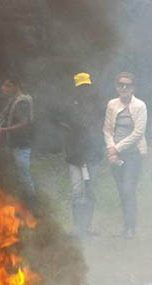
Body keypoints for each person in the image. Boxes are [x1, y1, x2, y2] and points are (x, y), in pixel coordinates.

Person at [56, 72, 104, 238]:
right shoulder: (69, 106)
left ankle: (87, 227)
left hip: (93, 155)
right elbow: (67, 128)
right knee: (77, 192)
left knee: (90, 191)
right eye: (81, 86)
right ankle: (78, 228)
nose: (84, 89)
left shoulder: (96, 105)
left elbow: (98, 129)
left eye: (86, 86)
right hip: (75, 156)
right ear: (76, 87)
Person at [103, 72, 147, 239]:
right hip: (115, 155)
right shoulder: (112, 105)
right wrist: (111, 150)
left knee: (129, 189)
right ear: (116, 86)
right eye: (121, 84)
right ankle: (126, 225)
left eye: (127, 85)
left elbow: (138, 132)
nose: (124, 88)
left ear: (133, 88)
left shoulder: (140, 106)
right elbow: (107, 130)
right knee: (122, 191)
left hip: (133, 154)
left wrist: (117, 149)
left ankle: (131, 228)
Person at [0, 76, 36, 208]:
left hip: (22, 144)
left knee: (24, 174)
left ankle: (31, 203)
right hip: (14, 144)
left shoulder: (22, 102)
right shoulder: (13, 100)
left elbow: (24, 123)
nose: (4, 88)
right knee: (18, 174)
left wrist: (4, 129)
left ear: (15, 87)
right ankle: (22, 202)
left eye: (7, 85)